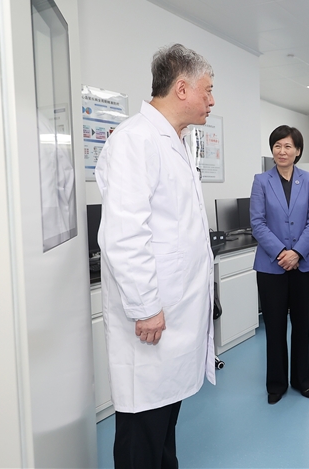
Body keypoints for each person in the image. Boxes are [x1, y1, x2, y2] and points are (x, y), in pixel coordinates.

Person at [96, 43, 216, 469]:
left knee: (164, 428)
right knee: (142, 432)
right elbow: (124, 235)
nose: (211, 100)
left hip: (175, 315)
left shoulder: (175, 142)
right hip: (151, 319)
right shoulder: (135, 140)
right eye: (207, 90)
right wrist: (146, 307)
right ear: (182, 89)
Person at [250, 125, 309, 404]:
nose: (282, 151)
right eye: (277, 146)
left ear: (298, 151)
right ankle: (276, 384)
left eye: (288, 146)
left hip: (304, 266)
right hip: (271, 266)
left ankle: (303, 380)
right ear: (272, 150)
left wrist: (297, 253)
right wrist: (282, 252)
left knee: (302, 325)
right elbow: (257, 222)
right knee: (275, 326)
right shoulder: (261, 181)